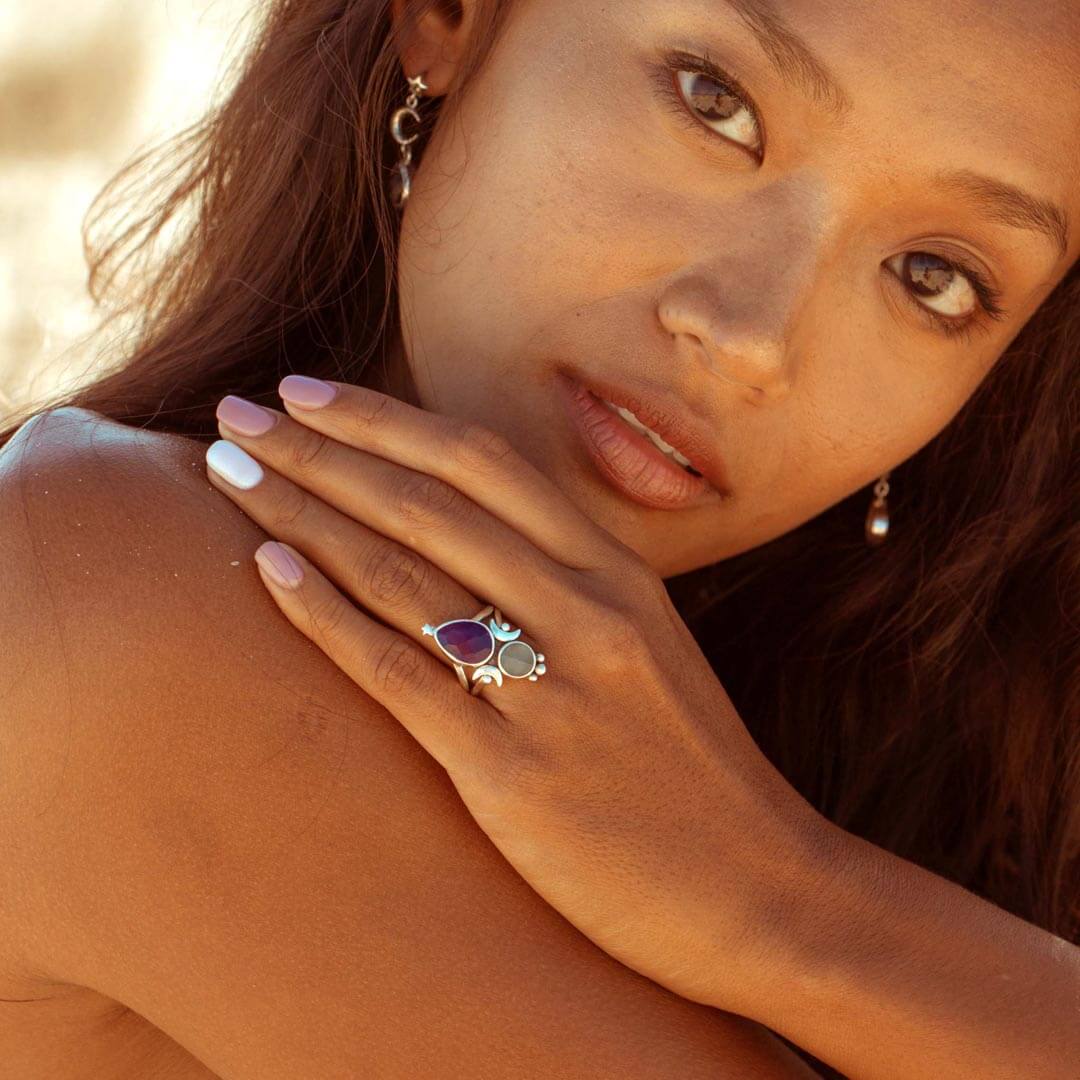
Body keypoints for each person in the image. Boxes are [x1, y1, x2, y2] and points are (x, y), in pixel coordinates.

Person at [0, 0, 1077, 1076]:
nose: (752, 338)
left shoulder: (878, 779)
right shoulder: (114, 599)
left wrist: (785, 885)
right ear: (450, 19)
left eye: (934, 277)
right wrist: (786, 909)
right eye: (718, 105)